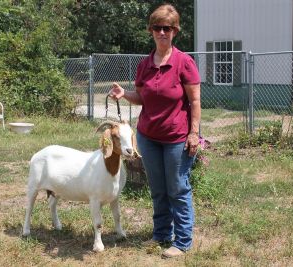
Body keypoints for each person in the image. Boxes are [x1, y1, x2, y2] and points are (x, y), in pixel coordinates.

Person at [109, 4, 201, 258]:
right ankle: (161, 234)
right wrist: (124, 94)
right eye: (158, 28)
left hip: (176, 138)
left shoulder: (184, 62)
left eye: (168, 28)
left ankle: (182, 241)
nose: (162, 32)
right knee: (158, 189)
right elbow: (142, 97)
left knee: (178, 189)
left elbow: (194, 101)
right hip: (148, 137)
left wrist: (194, 133)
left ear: (175, 31)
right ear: (151, 30)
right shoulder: (145, 65)